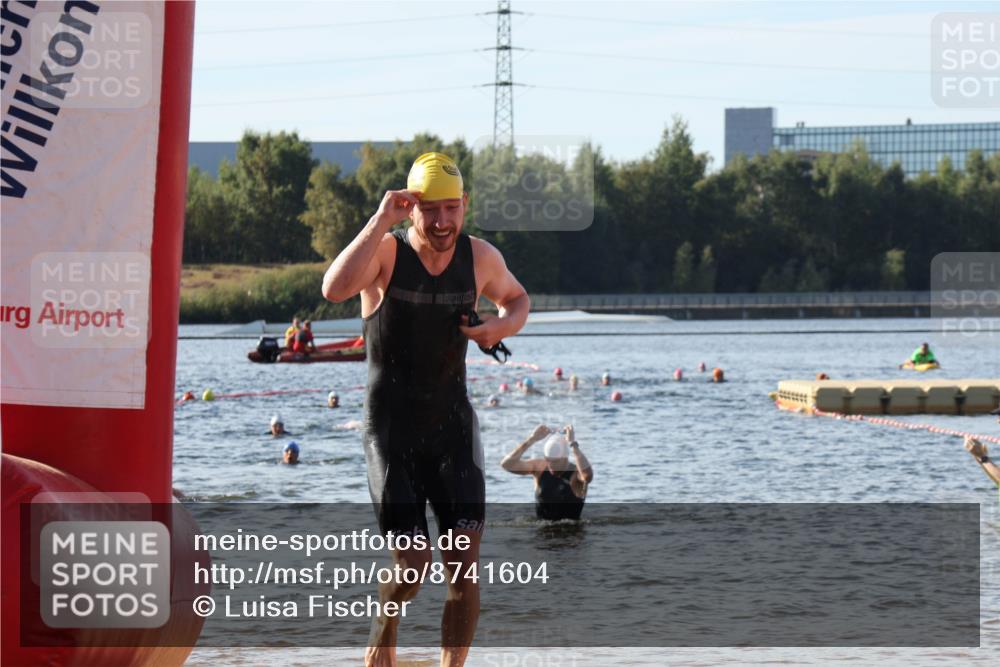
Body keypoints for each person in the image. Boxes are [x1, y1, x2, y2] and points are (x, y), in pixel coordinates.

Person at [321, 151, 530, 667]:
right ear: (410, 207)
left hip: (452, 427)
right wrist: (379, 220)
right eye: (429, 210)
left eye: (451, 210)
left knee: (464, 559)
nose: (441, 222)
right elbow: (334, 289)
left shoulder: (480, 258)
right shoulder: (387, 256)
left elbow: (518, 300)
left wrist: (498, 329)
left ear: (465, 206)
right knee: (413, 561)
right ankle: (384, 622)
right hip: (390, 430)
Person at [500, 424, 593, 521]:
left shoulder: (576, 473)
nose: (550, 465)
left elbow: (588, 477)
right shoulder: (539, 468)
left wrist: (573, 444)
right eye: (548, 460)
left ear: (565, 458)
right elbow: (506, 465)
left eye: (555, 461)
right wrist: (531, 439)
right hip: (542, 533)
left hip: (571, 534)